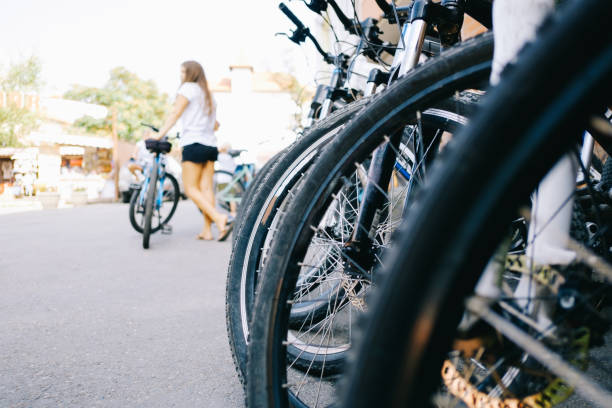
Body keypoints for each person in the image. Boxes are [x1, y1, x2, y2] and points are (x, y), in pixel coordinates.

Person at [153, 60, 231, 241]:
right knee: (206, 188)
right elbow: (216, 124)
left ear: (190, 74)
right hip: (210, 146)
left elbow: (175, 113)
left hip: (193, 144)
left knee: (190, 188)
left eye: (182, 72)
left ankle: (219, 217)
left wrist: (159, 135)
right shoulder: (208, 95)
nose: (181, 76)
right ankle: (207, 230)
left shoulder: (187, 89)